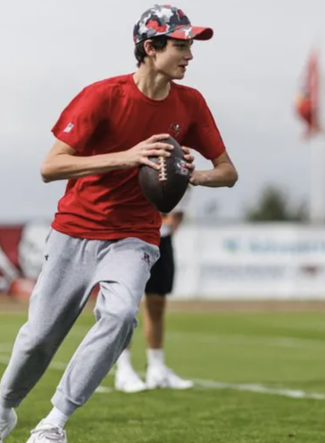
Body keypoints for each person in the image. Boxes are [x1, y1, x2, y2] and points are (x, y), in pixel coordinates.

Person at [0, 4, 238, 443]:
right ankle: (4, 408)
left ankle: (54, 422)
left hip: (135, 236)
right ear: (151, 48)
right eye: (181, 45)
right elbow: (50, 167)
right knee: (38, 340)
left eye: (191, 45)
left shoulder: (191, 103)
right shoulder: (103, 95)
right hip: (74, 231)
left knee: (121, 314)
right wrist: (127, 157)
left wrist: (194, 173)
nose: (189, 54)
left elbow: (228, 171)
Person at [114, 191, 194, 392]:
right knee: (125, 304)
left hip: (160, 236)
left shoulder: (179, 162)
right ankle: (123, 369)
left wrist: (171, 224)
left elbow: (181, 199)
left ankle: (156, 368)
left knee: (157, 302)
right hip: (129, 234)